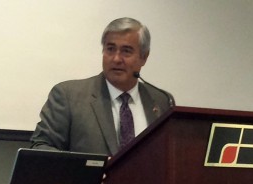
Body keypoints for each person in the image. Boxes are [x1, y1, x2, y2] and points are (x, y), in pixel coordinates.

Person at [30, 17, 175, 156]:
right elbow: (41, 147)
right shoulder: (69, 96)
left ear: (144, 57)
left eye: (126, 51)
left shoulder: (160, 100)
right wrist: (84, 170)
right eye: (110, 49)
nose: (116, 59)